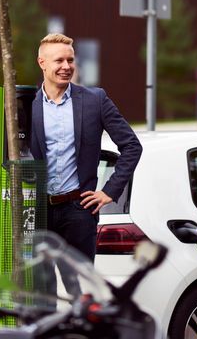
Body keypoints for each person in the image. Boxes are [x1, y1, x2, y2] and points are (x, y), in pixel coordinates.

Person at [30, 33, 142, 263]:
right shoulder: (27, 104)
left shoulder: (95, 100)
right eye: (59, 61)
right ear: (42, 63)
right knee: (41, 288)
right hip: (38, 212)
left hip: (79, 210)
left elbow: (132, 145)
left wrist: (109, 191)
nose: (66, 66)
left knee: (80, 287)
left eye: (70, 61)